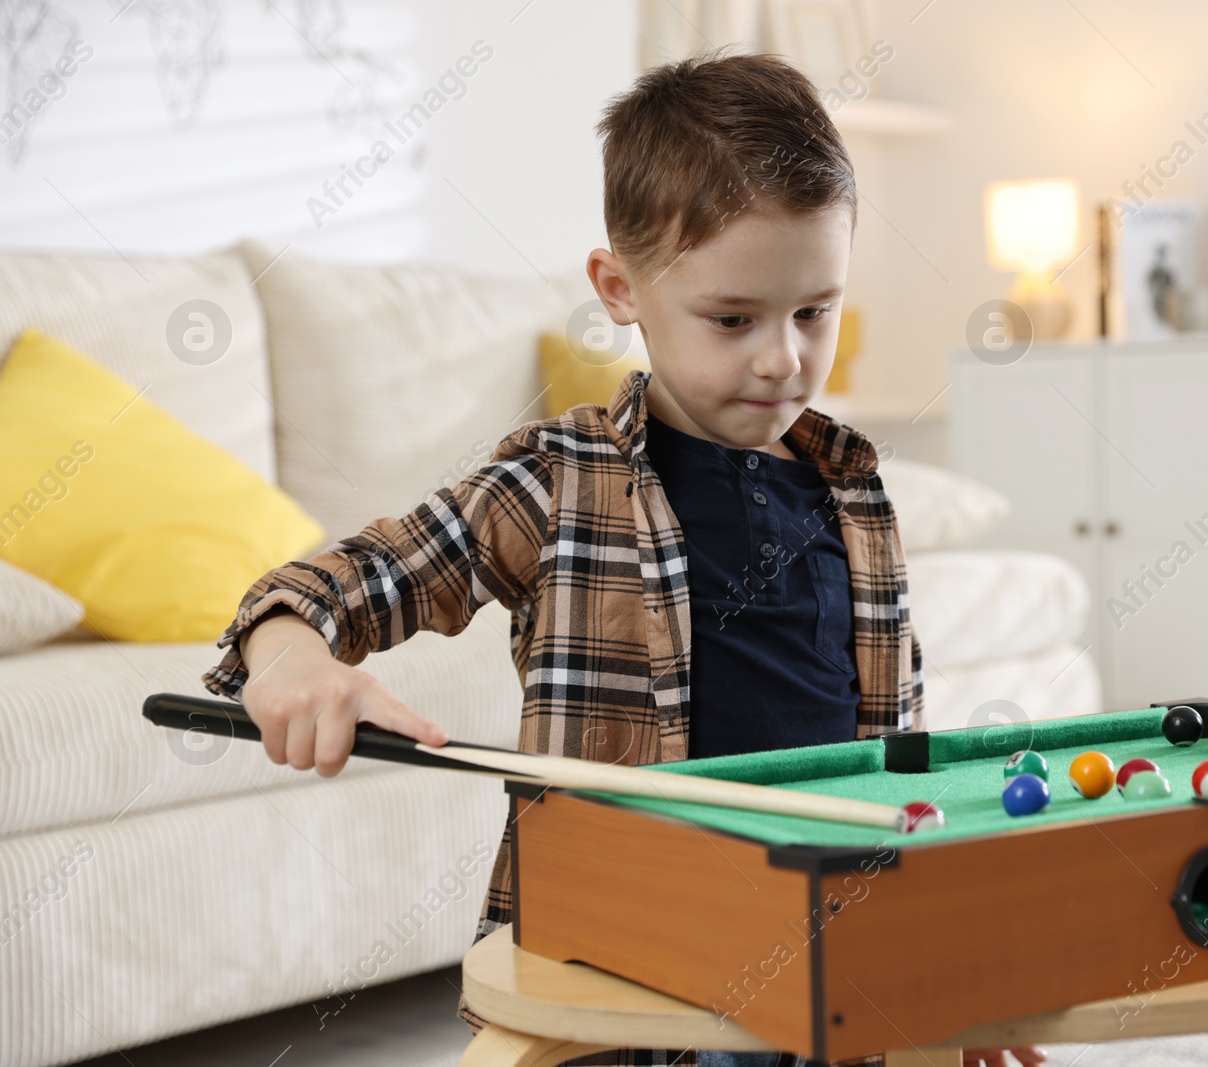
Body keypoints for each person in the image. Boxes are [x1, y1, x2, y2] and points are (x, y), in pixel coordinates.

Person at [201, 49, 1041, 1067]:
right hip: (637, 978)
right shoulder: (558, 481)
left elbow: (900, 764)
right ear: (619, 287)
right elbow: (332, 585)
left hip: (838, 969)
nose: (783, 356)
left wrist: (940, 985)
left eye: (813, 310)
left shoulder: (853, 494)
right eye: (733, 319)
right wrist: (292, 657)